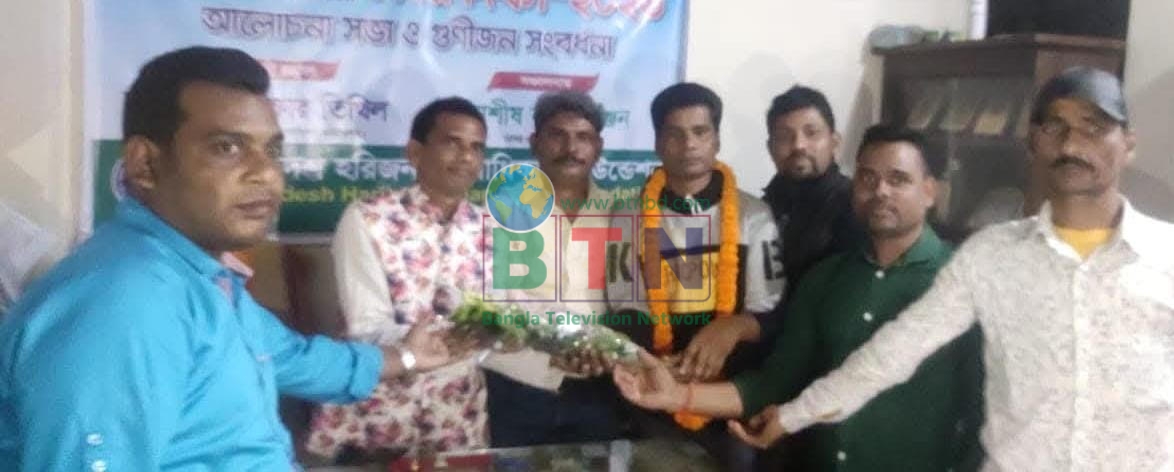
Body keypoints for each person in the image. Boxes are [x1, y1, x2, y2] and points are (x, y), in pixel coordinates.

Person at [0, 46, 460, 471]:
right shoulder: (126, 302)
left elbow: (294, 358)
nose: (265, 174)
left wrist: (408, 355)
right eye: (227, 147)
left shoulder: (199, 276)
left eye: (272, 151)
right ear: (144, 164)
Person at [727, 67, 1174, 470]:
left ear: (1129, 145)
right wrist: (792, 416)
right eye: (1055, 127)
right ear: (1033, 144)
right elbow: (890, 356)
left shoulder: (1166, 256)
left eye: (1095, 127)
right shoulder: (991, 256)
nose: (1072, 145)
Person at [615, 124, 985, 471]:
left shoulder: (967, 282)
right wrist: (675, 396)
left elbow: (987, 409)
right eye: (868, 178)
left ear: (930, 191)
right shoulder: (827, 279)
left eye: (898, 179)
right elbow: (774, 382)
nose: (881, 191)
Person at [606, 82, 784, 468]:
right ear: (658, 143)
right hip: (653, 392)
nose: (689, 144)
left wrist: (733, 328)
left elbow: (770, 315)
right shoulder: (629, 215)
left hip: (729, 400)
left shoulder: (754, 217)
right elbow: (625, 307)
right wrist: (655, 360)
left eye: (700, 132)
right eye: (675, 134)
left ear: (716, 139)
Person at [306, 97, 494, 456]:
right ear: (414, 152)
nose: (466, 157)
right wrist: (449, 340)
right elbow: (365, 325)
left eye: (476, 147)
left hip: (455, 416)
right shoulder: (368, 218)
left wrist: (501, 335)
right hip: (378, 414)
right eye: (452, 143)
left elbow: (495, 316)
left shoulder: (489, 227)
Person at [481, 91, 633, 447]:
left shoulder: (621, 213)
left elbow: (630, 301)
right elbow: (490, 305)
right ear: (534, 142)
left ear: (598, 147)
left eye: (583, 137)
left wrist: (610, 350)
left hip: (599, 385)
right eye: (557, 135)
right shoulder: (500, 211)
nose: (571, 148)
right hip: (518, 383)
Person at [761, 86, 865, 287]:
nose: (798, 145)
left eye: (811, 133)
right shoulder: (763, 208)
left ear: (835, 142)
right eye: (784, 136)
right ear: (770, 148)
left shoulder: (855, 207)